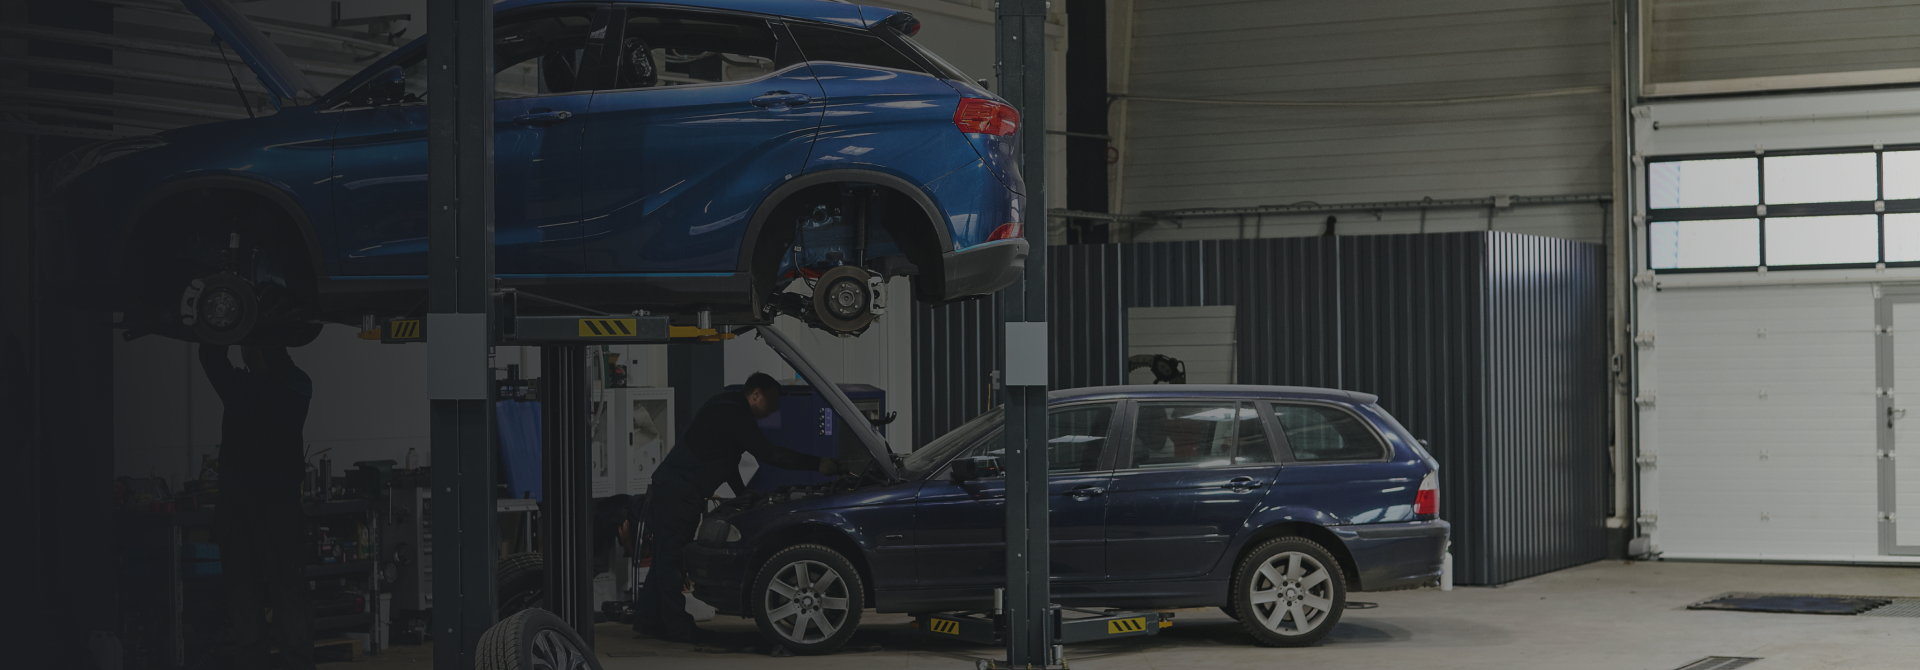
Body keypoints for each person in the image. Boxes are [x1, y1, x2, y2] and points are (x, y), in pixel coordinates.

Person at [632, 372, 841, 643]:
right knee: (671, 561)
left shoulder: (723, 404)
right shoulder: (736, 416)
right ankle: (678, 628)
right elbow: (770, 454)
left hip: (670, 488)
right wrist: (818, 464)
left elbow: (726, 459)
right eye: (772, 401)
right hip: (679, 493)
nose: (775, 408)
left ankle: (648, 621)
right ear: (756, 394)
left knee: (664, 558)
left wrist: (744, 494)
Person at [200, 345, 315, 670]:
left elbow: (280, 362)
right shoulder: (238, 387)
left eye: (252, 346)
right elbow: (211, 358)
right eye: (244, 345)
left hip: (278, 516)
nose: (245, 351)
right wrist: (221, 324)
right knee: (243, 605)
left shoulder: (294, 387)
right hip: (236, 515)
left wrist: (264, 328)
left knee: (289, 603)